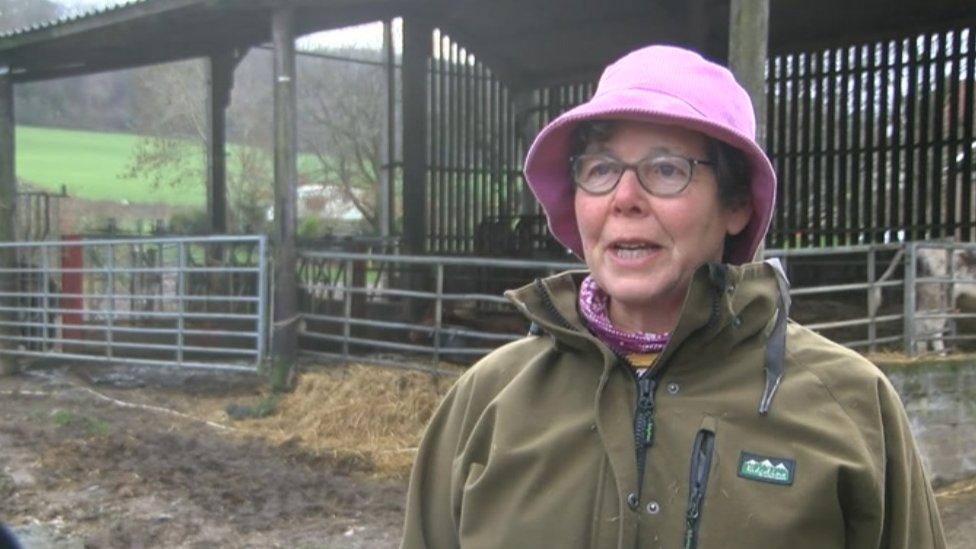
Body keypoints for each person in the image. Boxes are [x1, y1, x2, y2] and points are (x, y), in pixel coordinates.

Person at [400, 45, 946, 549]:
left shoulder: (847, 406)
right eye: (601, 169)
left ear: (735, 204)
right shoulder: (488, 400)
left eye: (666, 169)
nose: (624, 198)